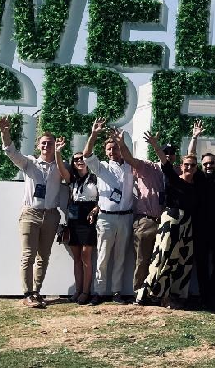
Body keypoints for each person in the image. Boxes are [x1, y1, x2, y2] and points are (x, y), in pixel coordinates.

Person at [0, 116, 70, 309]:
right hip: (31, 213)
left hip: (51, 215)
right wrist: (5, 133)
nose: (47, 146)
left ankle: (37, 292)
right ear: (38, 146)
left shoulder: (59, 166)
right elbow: (11, 152)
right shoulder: (29, 163)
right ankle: (27, 293)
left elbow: (68, 178)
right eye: (44, 143)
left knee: (43, 256)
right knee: (28, 255)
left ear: (55, 145)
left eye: (50, 143)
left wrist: (59, 156)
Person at [136, 133, 204, 309]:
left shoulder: (196, 183)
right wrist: (155, 145)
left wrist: (194, 137)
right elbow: (163, 160)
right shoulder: (173, 178)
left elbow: (192, 154)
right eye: (186, 165)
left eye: (192, 165)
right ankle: (146, 293)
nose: (189, 167)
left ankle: (172, 296)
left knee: (182, 259)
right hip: (171, 220)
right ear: (181, 166)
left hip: (186, 223)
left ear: (196, 167)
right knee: (162, 257)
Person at [107, 128, 166, 300]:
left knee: (161, 261)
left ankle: (157, 293)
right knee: (142, 261)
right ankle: (140, 293)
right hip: (145, 221)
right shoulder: (147, 167)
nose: (168, 155)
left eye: (171, 153)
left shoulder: (173, 171)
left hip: (164, 223)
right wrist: (120, 143)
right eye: (165, 152)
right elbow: (128, 158)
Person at [82, 117, 134, 305]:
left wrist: (121, 142)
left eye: (116, 148)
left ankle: (117, 292)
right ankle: (99, 291)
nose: (113, 151)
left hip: (126, 218)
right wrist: (94, 134)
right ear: (105, 152)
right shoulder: (101, 167)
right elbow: (87, 154)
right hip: (106, 218)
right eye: (109, 149)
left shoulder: (130, 167)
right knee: (103, 255)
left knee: (120, 257)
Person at [188, 119, 215, 310]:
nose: (209, 166)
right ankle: (205, 298)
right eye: (206, 163)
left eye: (212, 163)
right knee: (202, 265)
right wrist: (195, 137)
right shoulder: (197, 178)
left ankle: (212, 294)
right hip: (200, 229)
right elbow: (190, 155)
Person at [66, 150, 99, 305]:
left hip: (89, 218)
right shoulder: (72, 180)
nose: (80, 161)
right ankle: (78, 290)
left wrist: (95, 210)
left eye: (82, 158)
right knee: (76, 258)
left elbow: (102, 199)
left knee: (86, 256)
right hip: (74, 219)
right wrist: (58, 152)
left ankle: (86, 291)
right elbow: (60, 169)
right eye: (76, 159)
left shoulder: (95, 178)